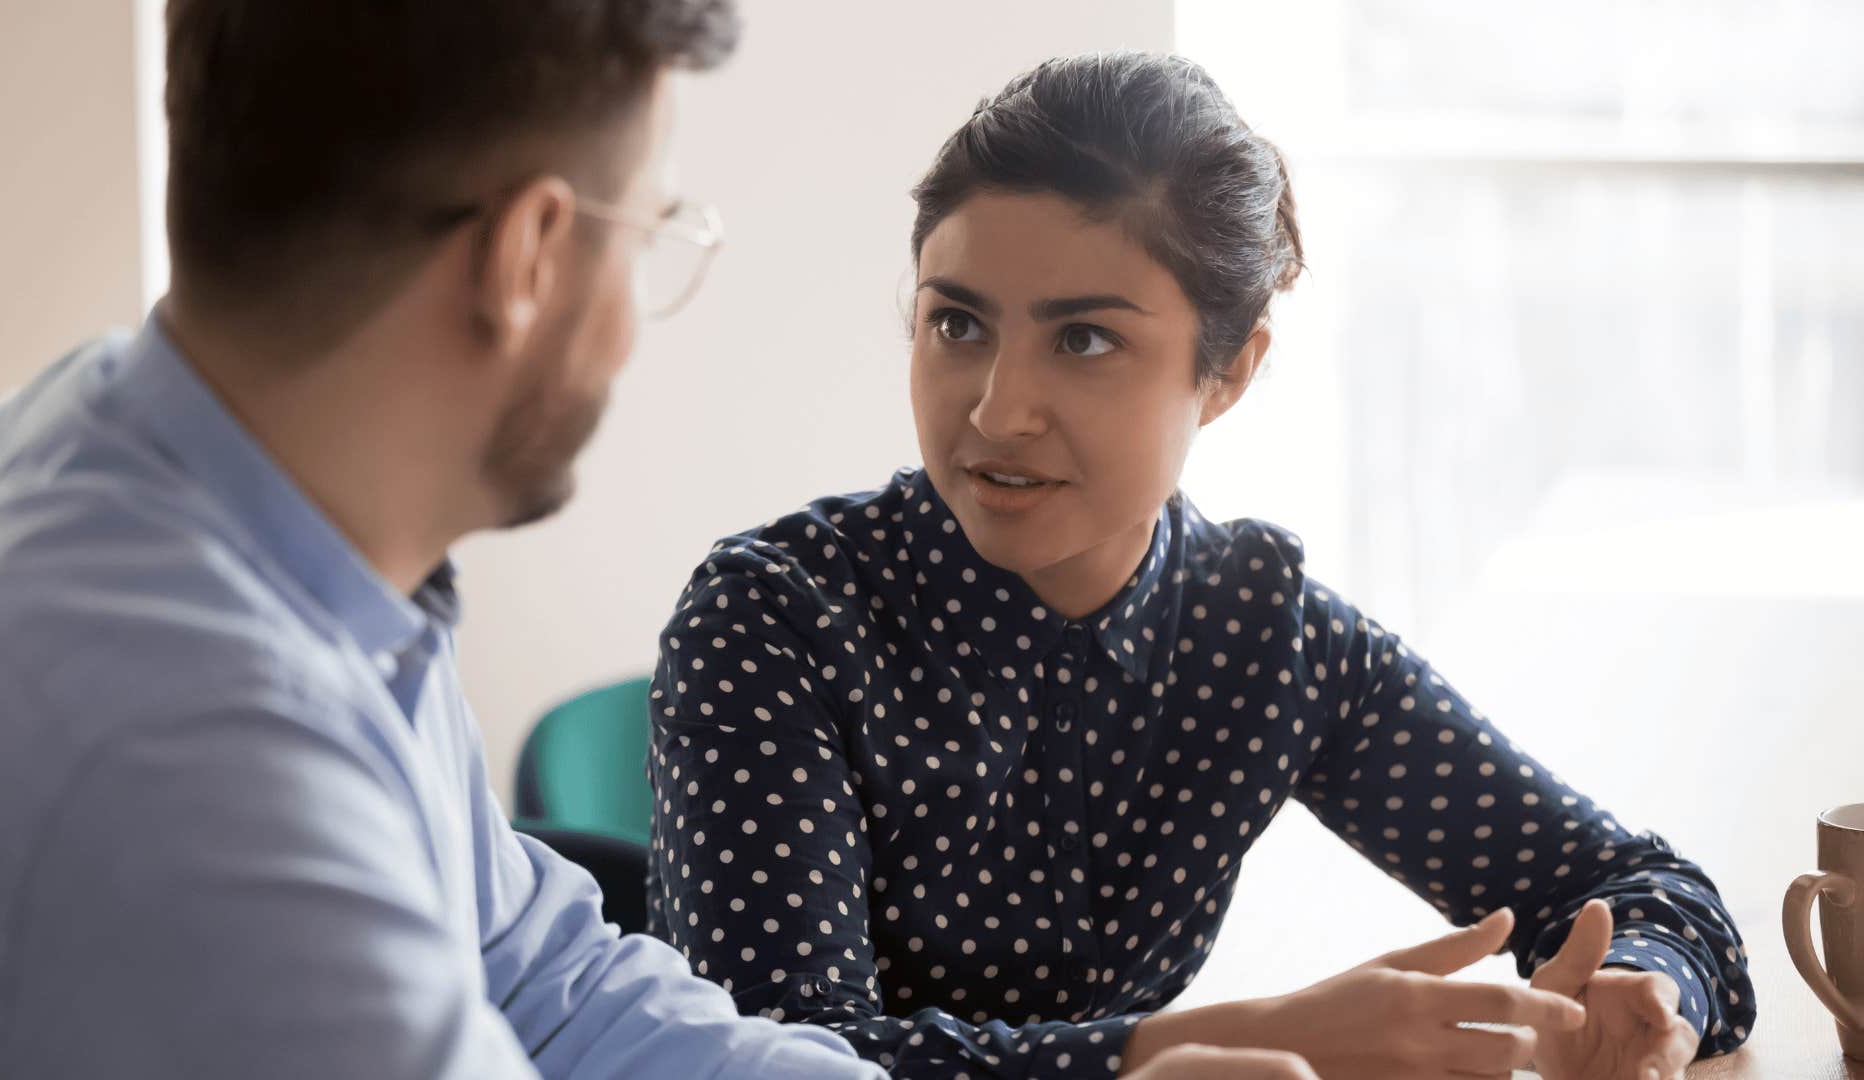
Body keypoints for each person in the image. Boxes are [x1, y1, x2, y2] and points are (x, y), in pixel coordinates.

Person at [646, 51, 1755, 1079]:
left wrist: (1644, 997)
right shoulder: (772, 617)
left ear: (1226, 373)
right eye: (957, 326)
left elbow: (1649, 891)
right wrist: (1225, 1043)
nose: (996, 408)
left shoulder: (1264, 640)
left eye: (1083, 339)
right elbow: (777, 1057)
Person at [0, 3, 900, 1077]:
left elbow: (543, 977)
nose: (635, 315)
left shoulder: (231, 499)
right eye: (650, 230)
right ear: (526, 253)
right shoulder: (200, 782)